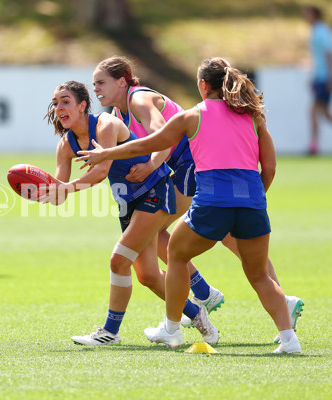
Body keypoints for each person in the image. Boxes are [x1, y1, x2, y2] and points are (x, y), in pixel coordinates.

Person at [77, 58, 301, 353]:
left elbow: (154, 141)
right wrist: (256, 200)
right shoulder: (253, 115)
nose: (96, 89)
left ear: (203, 85)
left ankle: (176, 323)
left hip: (201, 185)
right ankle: (286, 329)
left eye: (100, 82)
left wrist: (111, 155)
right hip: (252, 202)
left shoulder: (181, 111)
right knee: (249, 264)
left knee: (174, 250)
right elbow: (268, 168)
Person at [41, 81, 218, 346]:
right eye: (56, 103)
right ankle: (196, 314)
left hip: (154, 190)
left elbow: (101, 172)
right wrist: (44, 193)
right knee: (147, 275)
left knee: (118, 260)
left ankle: (109, 332)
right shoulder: (65, 146)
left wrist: (65, 188)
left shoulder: (106, 125)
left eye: (65, 101)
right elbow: (60, 191)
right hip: (128, 202)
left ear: (82, 105)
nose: (59, 108)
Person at [303, 5, 332, 155]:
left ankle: (313, 146)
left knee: (315, 111)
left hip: (324, 78)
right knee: (324, 113)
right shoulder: (316, 30)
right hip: (320, 77)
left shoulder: (322, 30)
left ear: (313, 14)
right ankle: (314, 145)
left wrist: (330, 77)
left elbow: (329, 53)